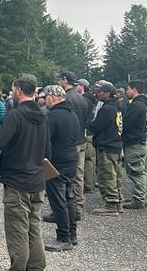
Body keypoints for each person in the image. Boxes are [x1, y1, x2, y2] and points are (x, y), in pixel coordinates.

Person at [0, 74, 50, 270]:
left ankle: (18, 267)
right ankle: (36, 266)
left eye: (13, 89)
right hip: (37, 179)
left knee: (17, 230)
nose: (12, 92)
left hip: (18, 181)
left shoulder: (16, 115)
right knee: (33, 227)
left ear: (19, 90)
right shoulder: (42, 115)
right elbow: (48, 150)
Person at [41, 85, 79, 252]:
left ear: (53, 97)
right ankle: (72, 234)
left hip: (56, 162)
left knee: (58, 201)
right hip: (71, 159)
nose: (44, 100)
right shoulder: (72, 114)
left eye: (46, 96)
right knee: (69, 198)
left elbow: (45, 141)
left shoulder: (53, 116)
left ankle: (63, 238)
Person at [56, 71, 89, 220]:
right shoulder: (80, 97)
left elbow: (66, 121)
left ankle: (67, 209)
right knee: (78, 176)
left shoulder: (67, 98)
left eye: (59, 79)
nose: (58, 82)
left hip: (71, 142)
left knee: (66, 176)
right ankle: (78, 207)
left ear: (64, 80)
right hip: (81, 140)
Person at [88, 83, 123, 216]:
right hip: (116, 145)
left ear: (107, 93)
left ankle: (111, 205)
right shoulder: (116, 107)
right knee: (116, 175)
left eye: (100, 91)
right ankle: (118, 201)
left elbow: (96, 126)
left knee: (106, 175)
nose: (97, 94)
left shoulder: (107, 109)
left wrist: (88, 123)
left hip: (107, 145)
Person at [121, 80, 147, 209]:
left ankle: (139, 199)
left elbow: (128, 124)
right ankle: (139, 196)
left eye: (128, 89)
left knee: (137, 171)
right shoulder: (142, 104)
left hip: (134, 142)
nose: (126, 91)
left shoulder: (137, 105)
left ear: (134, 89)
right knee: (138, 170)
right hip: (137, 141)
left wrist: (124, 135)